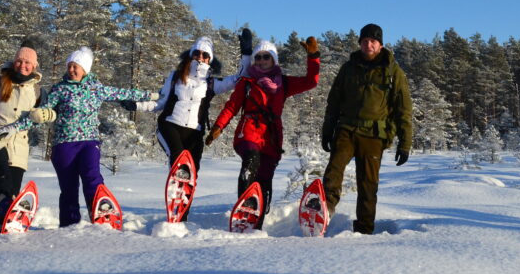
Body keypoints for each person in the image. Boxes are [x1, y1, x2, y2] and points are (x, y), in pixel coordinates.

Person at [126, 30, 252, 221]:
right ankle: (174, 209)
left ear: (210, 59)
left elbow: (241, 77)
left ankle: (180, 216)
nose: (200, 58)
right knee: (179, 164)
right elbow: (160, 102)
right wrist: (136, 105)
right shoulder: (176, 76)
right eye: (197, 53)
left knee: (191, 175)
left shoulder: (211, 83)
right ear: (191, 54)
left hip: (195, 134)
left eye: (205, 55)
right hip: (170, 126)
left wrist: (246, 53)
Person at [34, 46, 158, 227]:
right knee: (68, 188)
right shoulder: (59, 89)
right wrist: (30, 119)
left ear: (85, 69)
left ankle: (101, 218)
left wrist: (151, 95)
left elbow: (123, 93)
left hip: (88, 142)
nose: (71, 69)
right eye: (69, 65)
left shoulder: (96, 88)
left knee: (92, 178)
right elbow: (44, 111)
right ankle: (69, 225)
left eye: (75, 66)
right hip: (64, 144)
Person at [206, 36, 320, 227]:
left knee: (265, 178)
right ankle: (245, 205)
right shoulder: (247, 81)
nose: (261, 60)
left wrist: (313, 56)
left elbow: (311, 81)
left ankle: (257, 221)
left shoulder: (283, 82)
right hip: (249, 130)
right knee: (251, 160)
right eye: (257, 57)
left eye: (265, 57)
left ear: (273, 59)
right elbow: (232, 106)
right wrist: (218, 127)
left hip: (272, 137)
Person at [320, 23, 413, 235]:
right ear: (360, 43)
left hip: (374, 135)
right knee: (333, 171)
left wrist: (405, 144)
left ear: (380, 44)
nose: (368, 45)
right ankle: (324, 211)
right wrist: (327, 131)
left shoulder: (393, 72)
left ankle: (364, 231)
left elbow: (403, 110)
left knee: (368, 185)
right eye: (365, 41)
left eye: (373, 41)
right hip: (347, 130)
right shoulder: (348, 68)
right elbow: (333, 102)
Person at [0, 38, 56, 230]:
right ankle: (8, 208)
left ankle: (3, 227)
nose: (23, 65)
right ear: (14, 62)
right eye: (19, 61)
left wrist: (45, 115)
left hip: (19, 147)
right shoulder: (0, 81)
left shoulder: (38, 91)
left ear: (34, 65)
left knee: (12, 191)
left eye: (27, 62)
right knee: (2, 179)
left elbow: (47, 115)